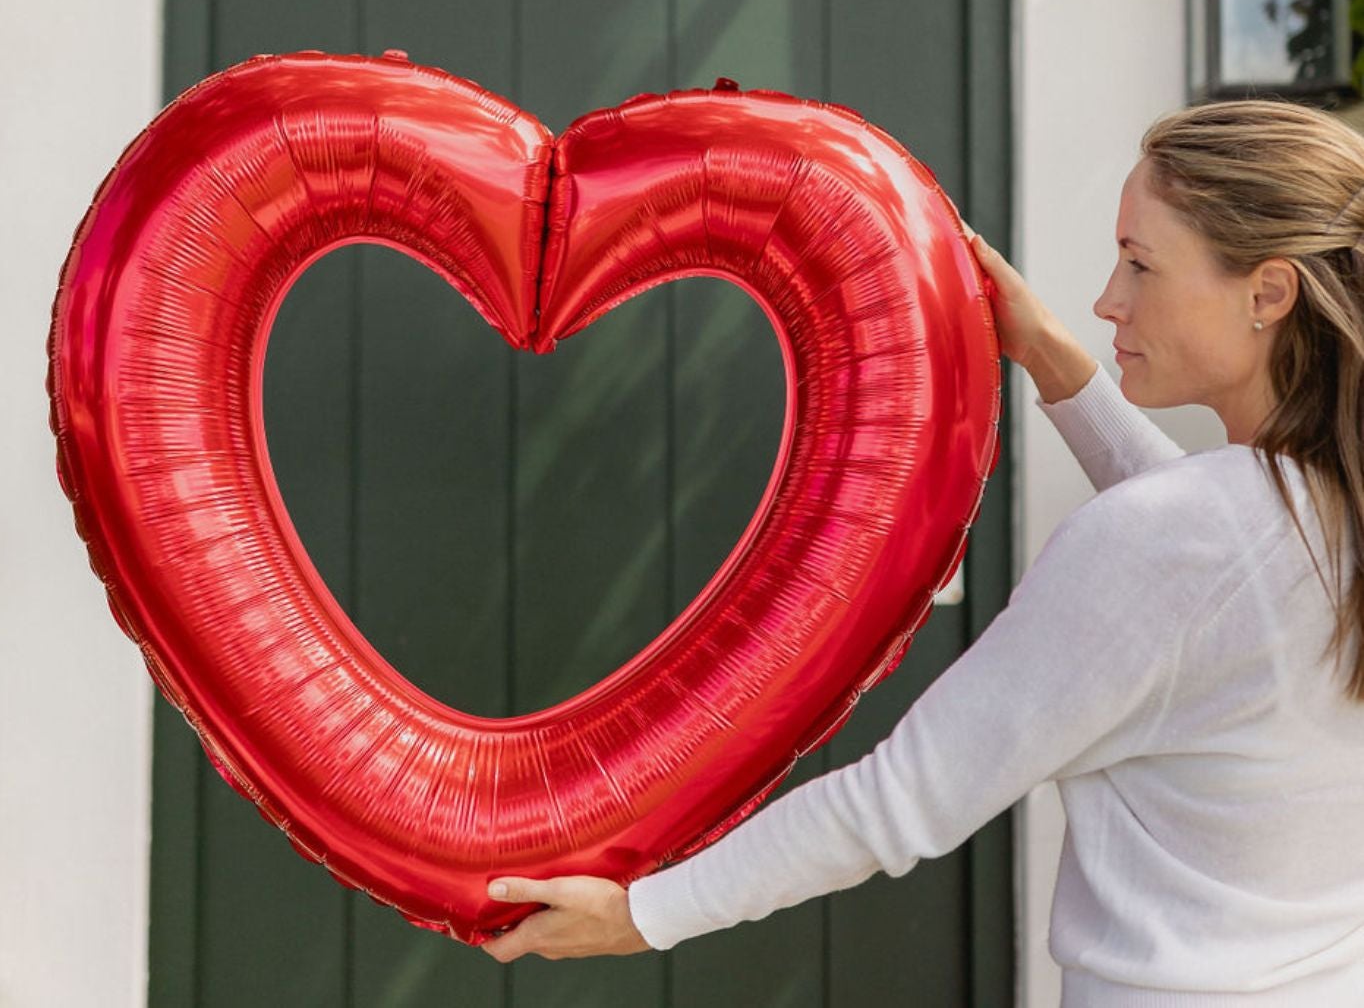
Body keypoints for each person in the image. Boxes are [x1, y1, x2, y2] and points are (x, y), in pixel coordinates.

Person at [477, 97, 1364, 1004]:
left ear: (1268, 293)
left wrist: (643, 915)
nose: (1108, 298)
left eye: (1140, 264)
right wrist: (1054, 360)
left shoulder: (1174, 541)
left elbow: (903, 798)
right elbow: (1228, 562)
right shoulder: (1330, 514)